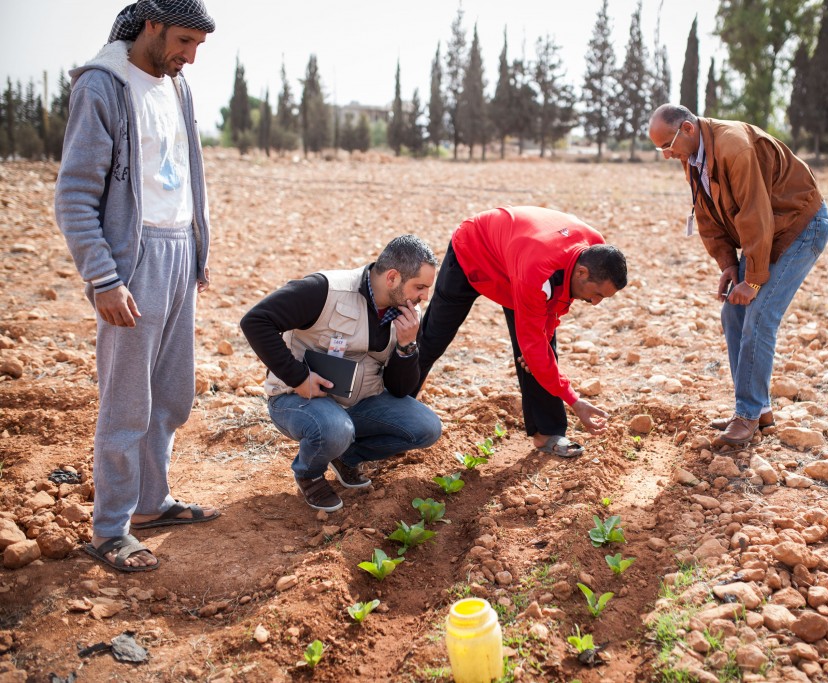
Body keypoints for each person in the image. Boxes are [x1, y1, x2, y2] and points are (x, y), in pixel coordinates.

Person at [55, 0, 219, 572]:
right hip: (132, 258)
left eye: (198, 46)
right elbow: (74, 196)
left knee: (172, 392)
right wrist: (103, 277)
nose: (189, 57)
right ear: (149, 25)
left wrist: (198, 252)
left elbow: (186, 175)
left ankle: (151, 503)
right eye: (182, 42)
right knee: (126, 402)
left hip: (177, 253)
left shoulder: (177, 87)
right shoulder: (102, 86)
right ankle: (109, 529)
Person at [647, 104, 828, 449]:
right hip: (765, 234)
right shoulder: (693, 156)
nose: (666, 155)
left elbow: (755, 212)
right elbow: (706, 214)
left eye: (667, 145)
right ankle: (757, 409)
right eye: (660, 149)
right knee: (733, 311)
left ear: (687, 129)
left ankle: (746, 415)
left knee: (759, 315)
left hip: (799, 227)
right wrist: (729, 265)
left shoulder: (735, 147)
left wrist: (755, 279)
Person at [240, 235, 443, 512]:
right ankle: (309, 474)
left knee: (426, 428)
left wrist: (407, 345)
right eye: (419, 287)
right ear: (393, 278)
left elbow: (399, 390)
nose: (424, 297)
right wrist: (297, 378)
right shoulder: (324, 289)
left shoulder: (404, 314)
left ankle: (347, 457)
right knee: (334, 429)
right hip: (299, 400)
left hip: (358, 403)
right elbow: (256, 321)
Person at [416, 206, 628, 457]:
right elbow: (534, 342)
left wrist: (540, 346)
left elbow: (554, 307)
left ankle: (548, 433)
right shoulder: (537, 273)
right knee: (433, 338)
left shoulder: (594, 250)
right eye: (598, 295)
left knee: (541, 350)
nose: (596, 303)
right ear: (582, 273)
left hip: (518, 257)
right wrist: (575, 401)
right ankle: (393, 403)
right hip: (475, 248)